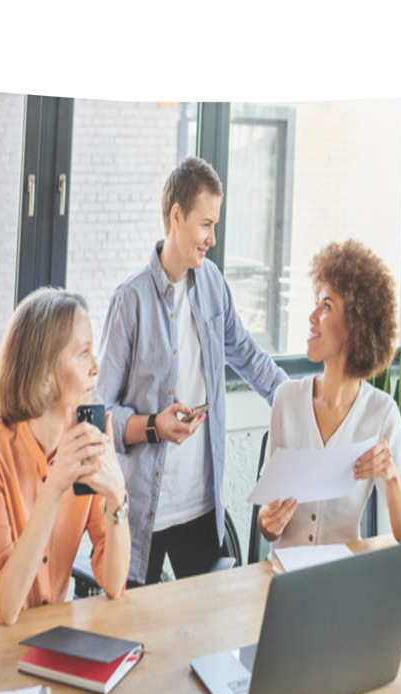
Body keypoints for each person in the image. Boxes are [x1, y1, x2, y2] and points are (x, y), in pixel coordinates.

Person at [97, 156, 288, 587]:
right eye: (205, 225)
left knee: (212, 634)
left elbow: (248, 356)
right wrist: (152, 427)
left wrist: (305, 405)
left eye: (215, 226)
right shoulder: (130, 301)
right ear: (176, 216)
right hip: (142, 509)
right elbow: (99, 416)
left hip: (201, 507)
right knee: (133, 638)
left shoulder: (214, 285)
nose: (212, 239)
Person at [0, 287, 131, 625]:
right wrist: (54, 486)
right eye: (83, 353)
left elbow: (114, 585)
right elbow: (7, 608)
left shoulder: (87, 443)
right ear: (42, 372)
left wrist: (117, 498)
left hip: (49, 630)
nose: (96, 367)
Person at [258, 239, 401, 549]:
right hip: (285, 576)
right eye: (316, 303)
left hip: (343, 577)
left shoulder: (382, 413)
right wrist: (268, 522)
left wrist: (392, 475)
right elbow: (268, 527)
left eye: (326, 306)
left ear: (355, 325)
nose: (312, 316)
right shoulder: (286, 400)